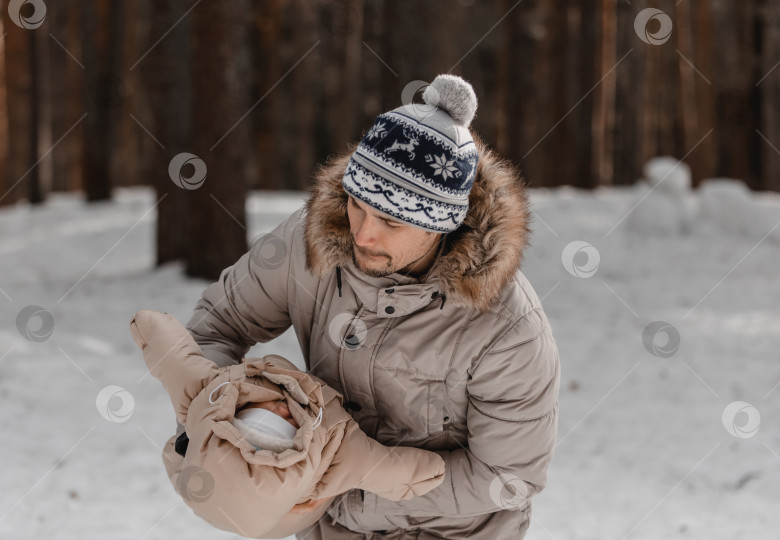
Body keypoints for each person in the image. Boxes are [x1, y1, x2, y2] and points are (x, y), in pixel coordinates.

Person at [183, 73, 561, 539]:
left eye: (389, 221)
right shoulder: (308, 243)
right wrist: (229, 422)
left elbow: (508, 479)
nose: (362, 234)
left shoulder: (507, 326)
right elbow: (216, 327)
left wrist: (350, 486)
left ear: (442, 224)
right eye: (357, 205)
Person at [130, 309, 446, 539]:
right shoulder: (340, 452)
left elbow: (174, 358)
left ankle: (189, 451)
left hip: (220, 493)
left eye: (264, 413)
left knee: (189, 468)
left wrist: (150, 332)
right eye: (287, 425)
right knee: (204, 482)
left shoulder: (209, 394)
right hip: (288, 517)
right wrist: (420, 472)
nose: (283, 408)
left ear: (237, 416)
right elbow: (387, 470)